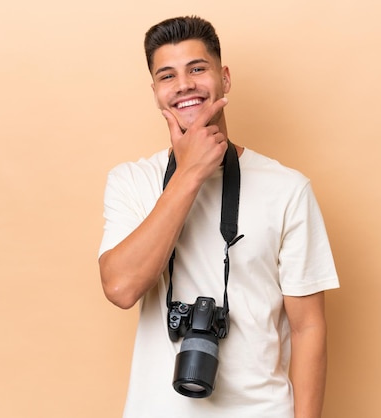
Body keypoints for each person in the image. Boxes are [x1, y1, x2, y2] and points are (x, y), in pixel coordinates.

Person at [98, 15, 339, 418]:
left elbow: (308, 328)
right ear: (156, 92)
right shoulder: (132, 181)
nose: (185, 85)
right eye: (167, 76)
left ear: (224, 78)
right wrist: (189, 174)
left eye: (197, 69)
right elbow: (121, 288)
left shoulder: (287, 188)